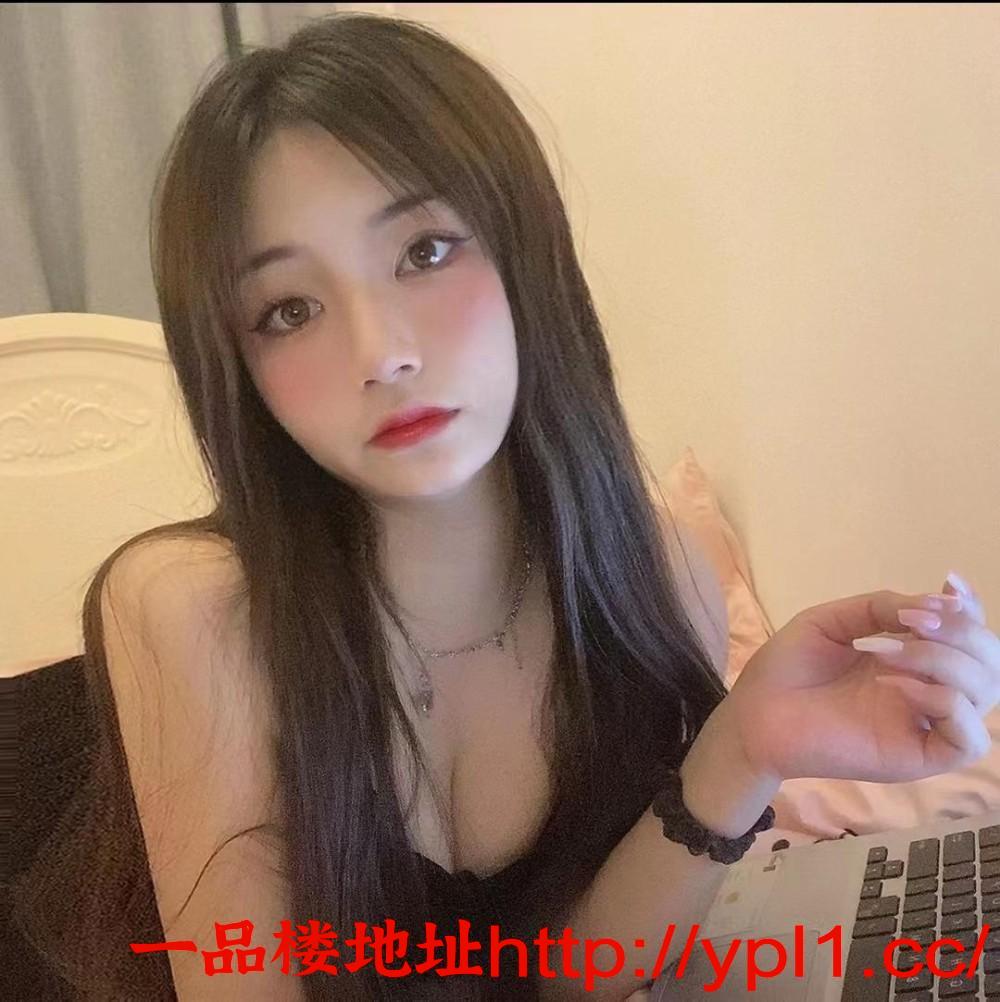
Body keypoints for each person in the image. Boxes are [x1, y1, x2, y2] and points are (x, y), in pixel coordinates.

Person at [8, 11, 999, 1002]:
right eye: (290, 310)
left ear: (527, 252)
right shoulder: (195, 609)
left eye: (425, 251)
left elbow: (570, 976)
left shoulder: (658, 576)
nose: (382, 353)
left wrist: (746, 745)